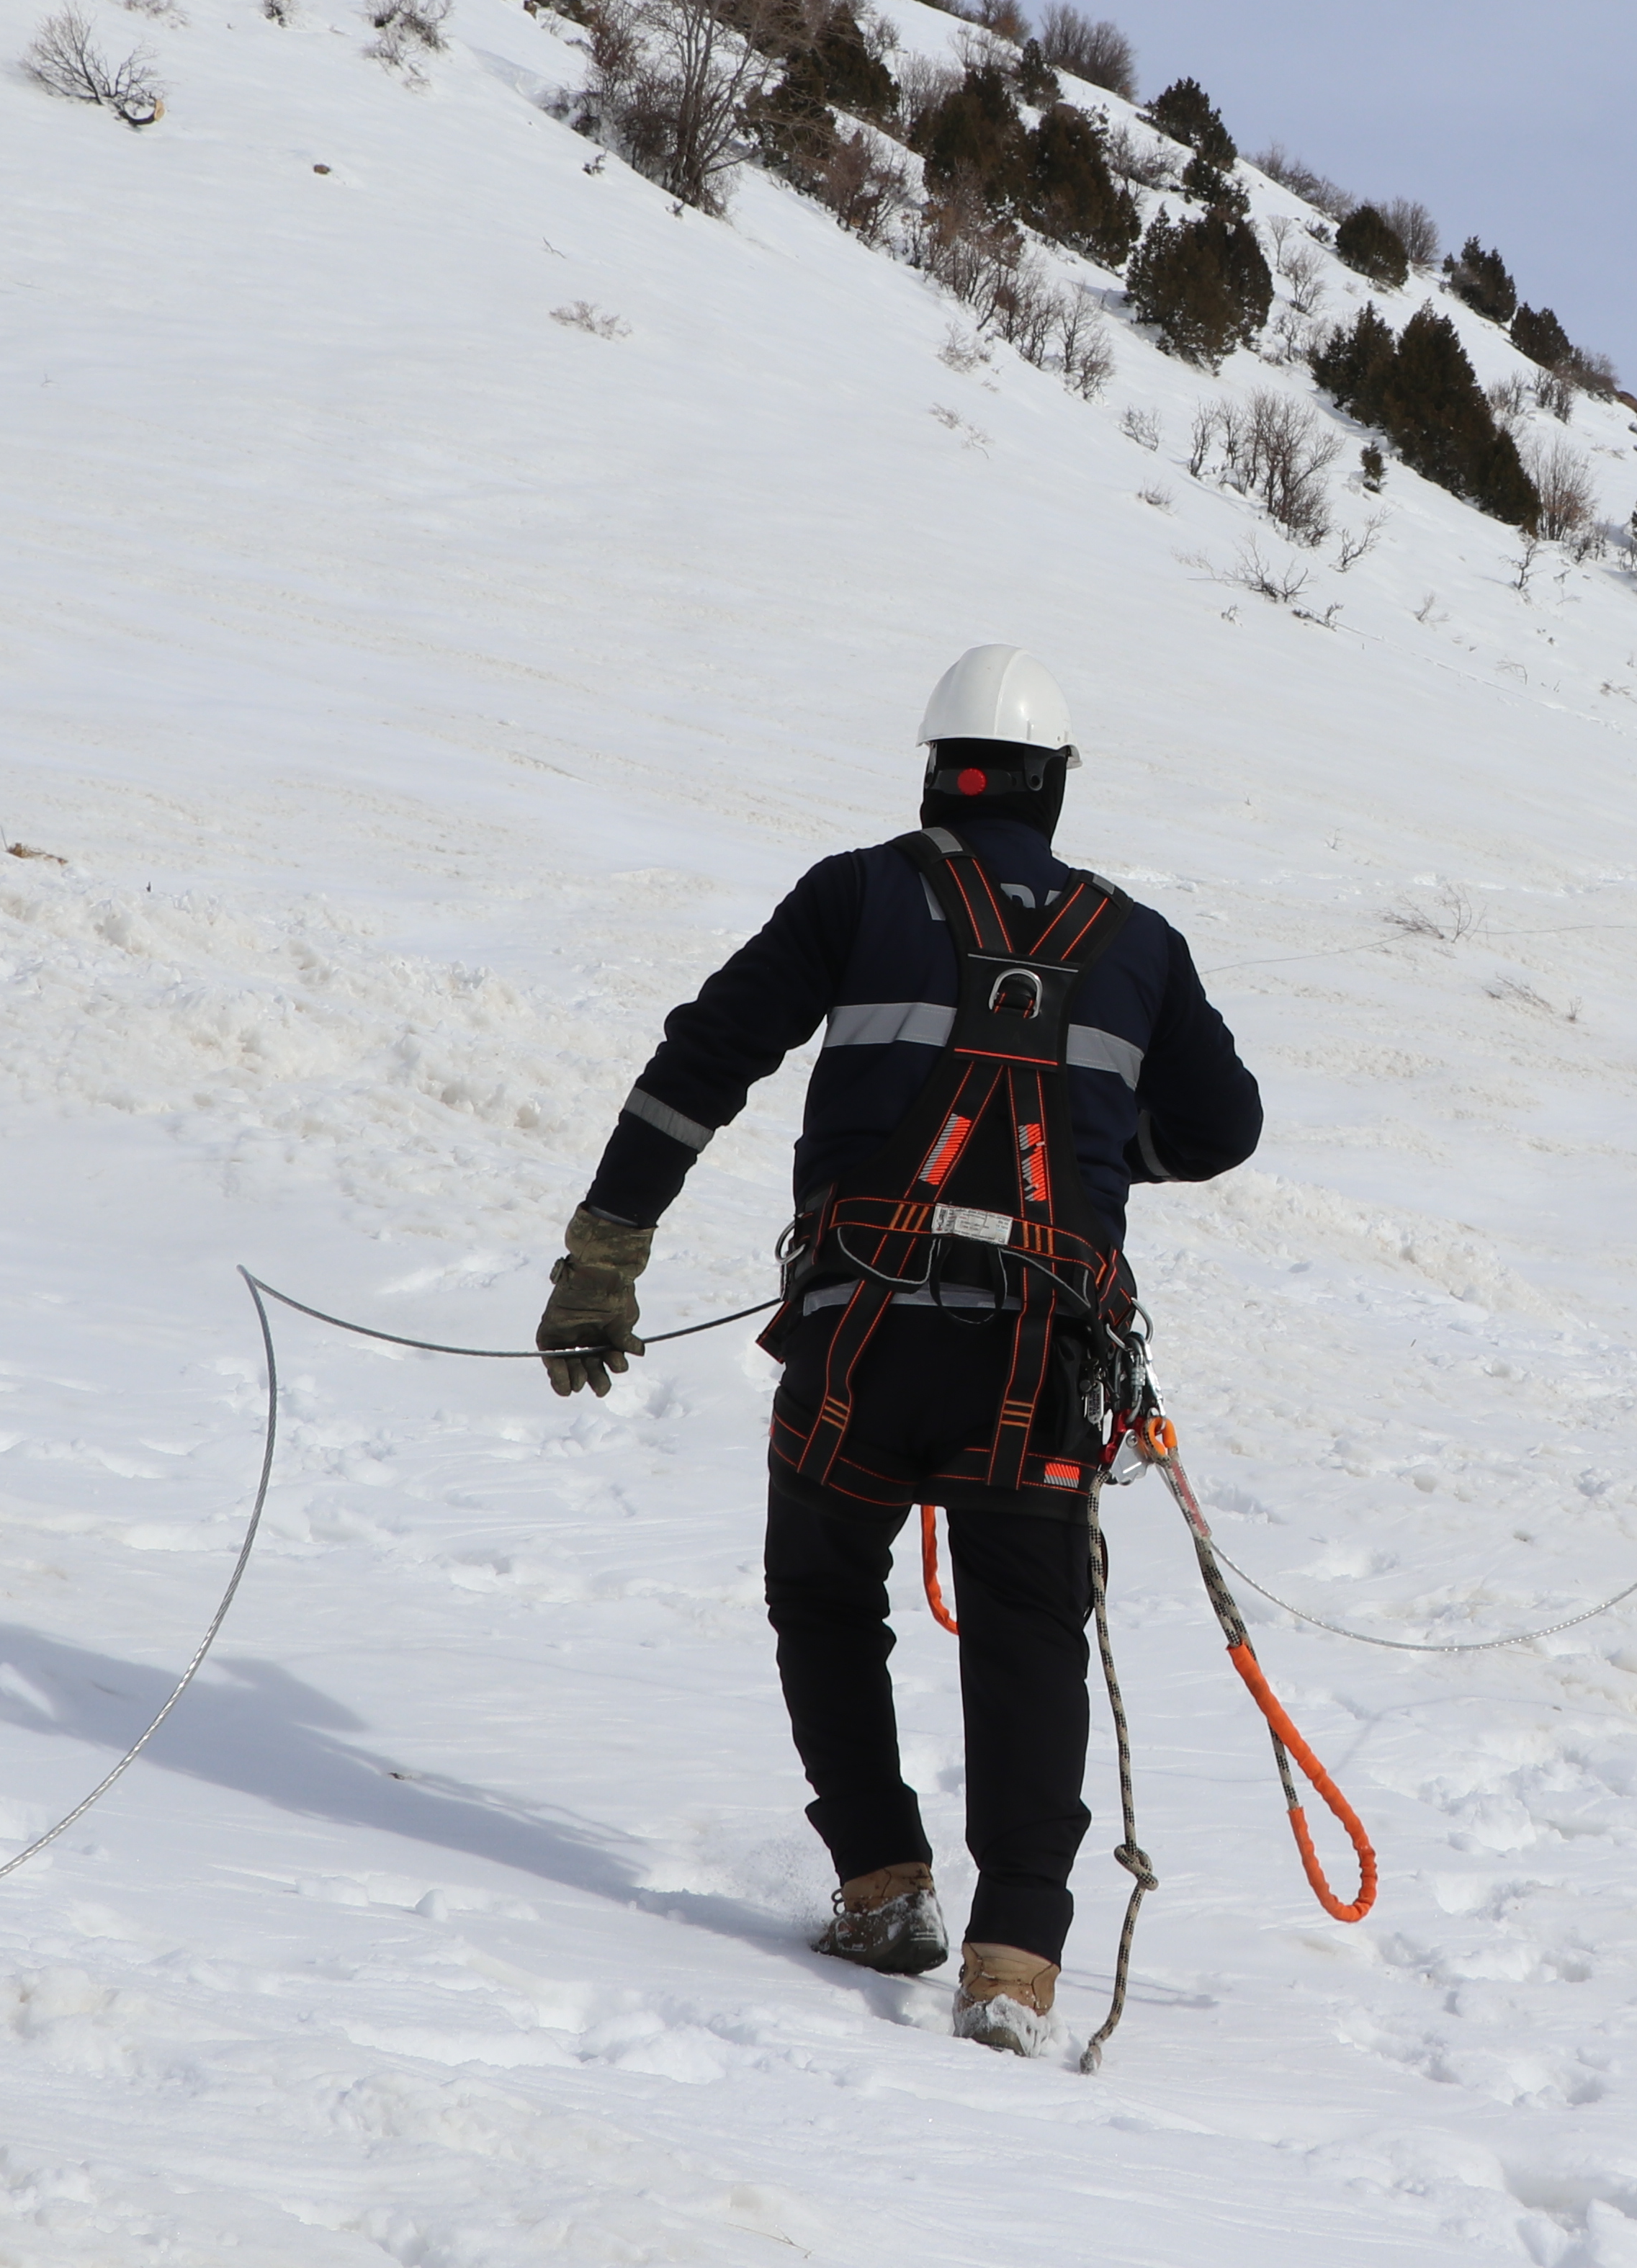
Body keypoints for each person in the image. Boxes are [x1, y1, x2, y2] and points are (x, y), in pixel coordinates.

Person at [532, 646, 1263, 2056]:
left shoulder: (856, 894)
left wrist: (604, 1253)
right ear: (1056, 786)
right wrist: (1102, 1152)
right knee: (1029, 1631)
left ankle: (883, 1885)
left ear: (937, 766)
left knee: (822, 1586)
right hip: (1040, 1351)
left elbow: (704, 1061)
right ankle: (1013, 1960)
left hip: (860, 1331)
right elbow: (1222, 1129)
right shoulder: (1139, 942)